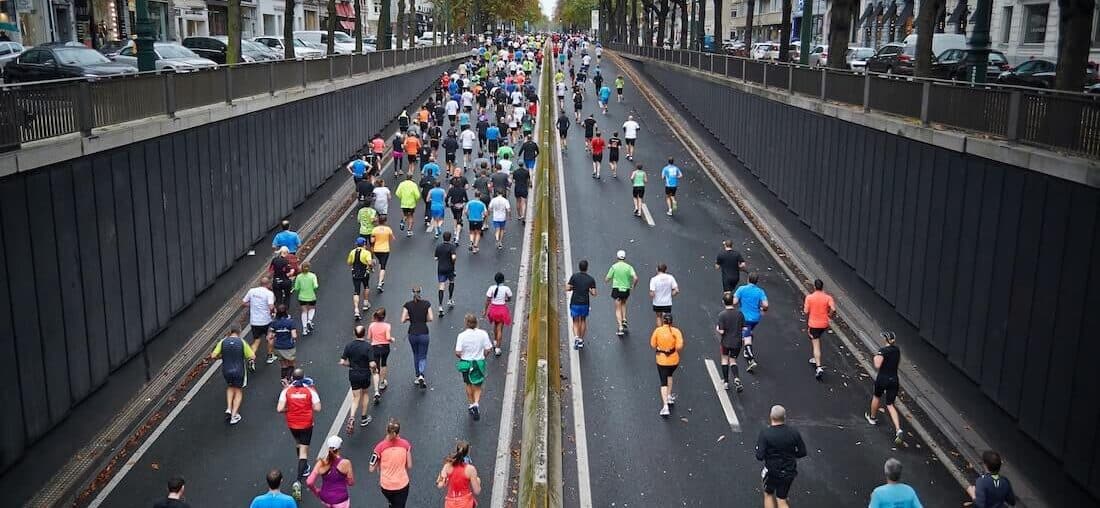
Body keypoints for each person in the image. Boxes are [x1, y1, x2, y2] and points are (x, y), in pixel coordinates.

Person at [755, 405, 807, 508]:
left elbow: (759, 456)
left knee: (768, 494)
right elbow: (802, 452)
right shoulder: (794, 432)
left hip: (772, 471)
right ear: (784, 417)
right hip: (789, 471)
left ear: (771, 416)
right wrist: (792, 456)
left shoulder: (765, 433)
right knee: (781, 499)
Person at [277, 369, 321, 488]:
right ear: (304, 377)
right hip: (306, 424)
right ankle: (298, 481)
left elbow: (279, 408)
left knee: (298, 443)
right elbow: (317, 408)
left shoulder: (286, 390)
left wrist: (289, 409)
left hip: (292, 424)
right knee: (303, 452)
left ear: (292, 378)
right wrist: (307, 406)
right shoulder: (310, 390)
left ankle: (305, 467)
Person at [865, 331, 905, 446]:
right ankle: (898, 429)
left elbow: (877, 365)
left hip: (883, 379)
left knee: (877, 397)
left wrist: (876, 356)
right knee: (890, 404)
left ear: (885, 339)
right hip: (894, 379)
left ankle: (872, 418)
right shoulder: (897, 350)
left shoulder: (883, 351)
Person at [212, 328, 254, 425]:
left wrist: (222, 356)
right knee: (238, 390)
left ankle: (228, 409)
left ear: (229, 332)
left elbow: (213, 355)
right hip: (239, 370)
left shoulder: (223, 342)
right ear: (239, 332)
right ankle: (234, 416)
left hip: (226, 370)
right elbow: (252, 356)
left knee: (230, 387)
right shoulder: (242, 342)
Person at [456, 314, 494, 419]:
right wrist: (484, 356)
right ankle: (476, 403)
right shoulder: (483, 334)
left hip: (466, 363)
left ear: (466, 323)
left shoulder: (462, 336)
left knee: (468, 383)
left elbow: (458, 352)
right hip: (478, 362)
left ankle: (471, 404)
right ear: (476, 323)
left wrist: (462, 356)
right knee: (477, 385)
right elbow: (488, 348)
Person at [340, 325, 375, 433]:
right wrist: (374, 369)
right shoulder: (368, 346)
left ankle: (352, 417)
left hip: (353, 374)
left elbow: (342, 361)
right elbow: (372, 363)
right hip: (365, 373)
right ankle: (364, 418)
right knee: (365, 393)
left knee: (355, 397)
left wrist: (350, 365)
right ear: (364, 333)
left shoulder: (349, 346)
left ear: (354, 333)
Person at [371, 419, 413, 507]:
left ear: (387, 431)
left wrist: (379, 462)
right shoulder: (406, 444)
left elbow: (371, 468)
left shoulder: (379, 447)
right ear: (398, 432)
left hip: (386, 486)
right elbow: (409, 465)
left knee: (392, 502)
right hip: (402, 484)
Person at [650, 313, 684, 417]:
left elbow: (653, 344)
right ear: (671, 321)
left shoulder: (658, 331)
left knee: (663, 382)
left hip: (662, 361)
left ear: (663, 321)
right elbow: (679, 346)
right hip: (674, 361)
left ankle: (665, 407)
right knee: (670, 375)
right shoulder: (676, 331)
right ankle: (669, 396)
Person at [733, 273, 769, 373]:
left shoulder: (741, 289)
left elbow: (734, 302)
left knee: (747, 337)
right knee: (749, 333)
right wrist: (763, 309)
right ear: (756, 281)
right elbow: (766, 304)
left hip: (744, 318)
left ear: (748, 279)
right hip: (755, 318)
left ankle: (751, 359)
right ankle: (746, 351)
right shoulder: (760, 291)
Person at [307, 436, 355, 508]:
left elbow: (309, 482)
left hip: (325, 498)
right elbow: (351, 482)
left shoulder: (321, 463)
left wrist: (316, 491)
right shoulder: (346, 463)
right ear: (339, 448)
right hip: (341, 500)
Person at [803, 279, 836, 381]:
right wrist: (829, 315)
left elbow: (806, 311)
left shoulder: (809, 297)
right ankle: (815, 359)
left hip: (814, 324)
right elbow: (833, 309)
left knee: (816, 344)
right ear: (822, 287)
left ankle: (818, 367)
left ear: (814, 287)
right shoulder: (828, 297)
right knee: (817, 337)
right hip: (824, 324)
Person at [402, 286, 434, 387]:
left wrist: (410, 318)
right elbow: (431, 318)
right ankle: (421, 374)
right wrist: (423, 319)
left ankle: (417, 375)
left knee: (416, 354)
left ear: (412, 293)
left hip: (412, 333)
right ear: (420, 292)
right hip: (424, 332)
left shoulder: (407, 305)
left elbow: (402, 319)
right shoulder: (427, 304)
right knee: (423, 355)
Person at [437, 441, 481, 508]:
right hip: (465, 504)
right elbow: (477, 491)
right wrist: (478, 481)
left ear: (456, 450)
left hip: (450, 504)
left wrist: (440, 480)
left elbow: (440, 485)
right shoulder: (470, 469)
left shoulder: (447, 466)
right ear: (467, 453)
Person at [242, 278, 276, 366]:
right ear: (268, 284)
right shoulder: (269, 293)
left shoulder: (252, 291)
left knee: (256, 341)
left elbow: (243, 303)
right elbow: (271, 307)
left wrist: (252, 304)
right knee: (270, 338)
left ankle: (251, 359)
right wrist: (273, 313)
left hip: (254, 321)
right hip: (266, 321)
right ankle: (270, 356)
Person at [716, 293, 746, 392]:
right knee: (733, 360)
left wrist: (717, 329)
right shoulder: (740, 314)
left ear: (723, 302)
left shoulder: (722, 315)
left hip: (726, 342)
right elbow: (744, 328)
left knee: (724, 359)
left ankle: (726, 382)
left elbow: (722, 331)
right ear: (733, 301)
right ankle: (736, 378)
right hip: (737, 343)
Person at [566, 259, 598, 350]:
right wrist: (589, 289)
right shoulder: (590, 279)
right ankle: (581, 340)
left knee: (575, 321)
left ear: (579, 267)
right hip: (585, 303)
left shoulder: (574, 277)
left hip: (575, 302)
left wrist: (573, 288)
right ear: (587, 268)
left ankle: (576, 337)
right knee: (583, 320)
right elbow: (594, 293)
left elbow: (567, 288)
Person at [605, 250, 638, 336]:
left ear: (617, 257)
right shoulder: (629, 267)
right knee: (623, 303)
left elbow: (607, 278)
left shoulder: (614, 267)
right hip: (626, 289)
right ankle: (624, 319)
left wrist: (608, 280)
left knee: (617, 308)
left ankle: (620, 327)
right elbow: (635, 278)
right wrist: (633, 285)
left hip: (616, 289)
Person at [368, 308, 394, 404]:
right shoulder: (387, 326)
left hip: (375, 348)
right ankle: (382, 382)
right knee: (384, 364)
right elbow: (388, 337)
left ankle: (376, 391)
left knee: (375, 369)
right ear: (384, 317)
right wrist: (392, 339)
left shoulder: (371, 325)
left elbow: (369, 337)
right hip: (385, 347)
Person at [483, 272, 513, 356]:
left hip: (493, 310)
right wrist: (505, 300)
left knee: (495, 325)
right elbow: (509, 298)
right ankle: (497, 348)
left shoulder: (491, 288)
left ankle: (495, 341)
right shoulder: (506, 288)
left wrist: (485, 310)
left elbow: (488, 300)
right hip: (502, 310)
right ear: (503, 280)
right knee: (500, 329)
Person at [270, 305, 300, 386]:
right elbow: (294, 335)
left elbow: (271, 336)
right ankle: (288, 379)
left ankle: (283, 379)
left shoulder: (274, 323)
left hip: (278, 347)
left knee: (283, 364)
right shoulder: (290, 322)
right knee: (291, 363)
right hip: (288, 346)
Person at [347, 237, 375, 321]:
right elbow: (369, 263)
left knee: (356, 291)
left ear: (357, 244)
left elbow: (349, 263)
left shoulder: (352, 252)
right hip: (364, 273)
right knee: (366, 286)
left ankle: (356, 309)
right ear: (364, 244)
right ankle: (365, 303)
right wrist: (371, 266)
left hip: (355, 273)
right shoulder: (367, 253)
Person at [648, 263, 680, 328]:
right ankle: (666, 331)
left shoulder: (654, 279)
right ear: (665, 270)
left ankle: (660, 331)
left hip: (657, 303)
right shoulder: (670, 278)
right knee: (666, 318)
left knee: (658, 317)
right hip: (667, 302)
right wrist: (671, 295)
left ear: (657, 269)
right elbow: (676, 290)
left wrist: (651, 294)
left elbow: (652, 293)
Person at [292, 261, 318, 336]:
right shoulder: (312, 276)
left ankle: (304, 329)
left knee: (304, 311)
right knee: (312, 309)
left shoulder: (299, 277)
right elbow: (316, 286)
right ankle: (309, 320)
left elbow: (296, 288)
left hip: (302, 297)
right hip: (311, 296)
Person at [372, 215, 396, 293]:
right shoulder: (388, 229)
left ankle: (381, 279)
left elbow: (372, 241)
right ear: (385, 221)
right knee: (383, 266)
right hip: (385, 250)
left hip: (376, 250)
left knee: (380, 262)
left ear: (378, 221)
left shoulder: (374, 229)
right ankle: (380, 283)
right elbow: (392, 238)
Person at [512, 157, 531, 221]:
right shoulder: (526, 172)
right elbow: (528, 180)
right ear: (523, 164)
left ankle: (519, 215)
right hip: (524, 188)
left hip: (517, 188)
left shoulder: (515, 172)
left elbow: (513, 181)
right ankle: (523, 215)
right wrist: (529, 185)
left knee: (518, 201)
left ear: (518, 164)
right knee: (524, 202)